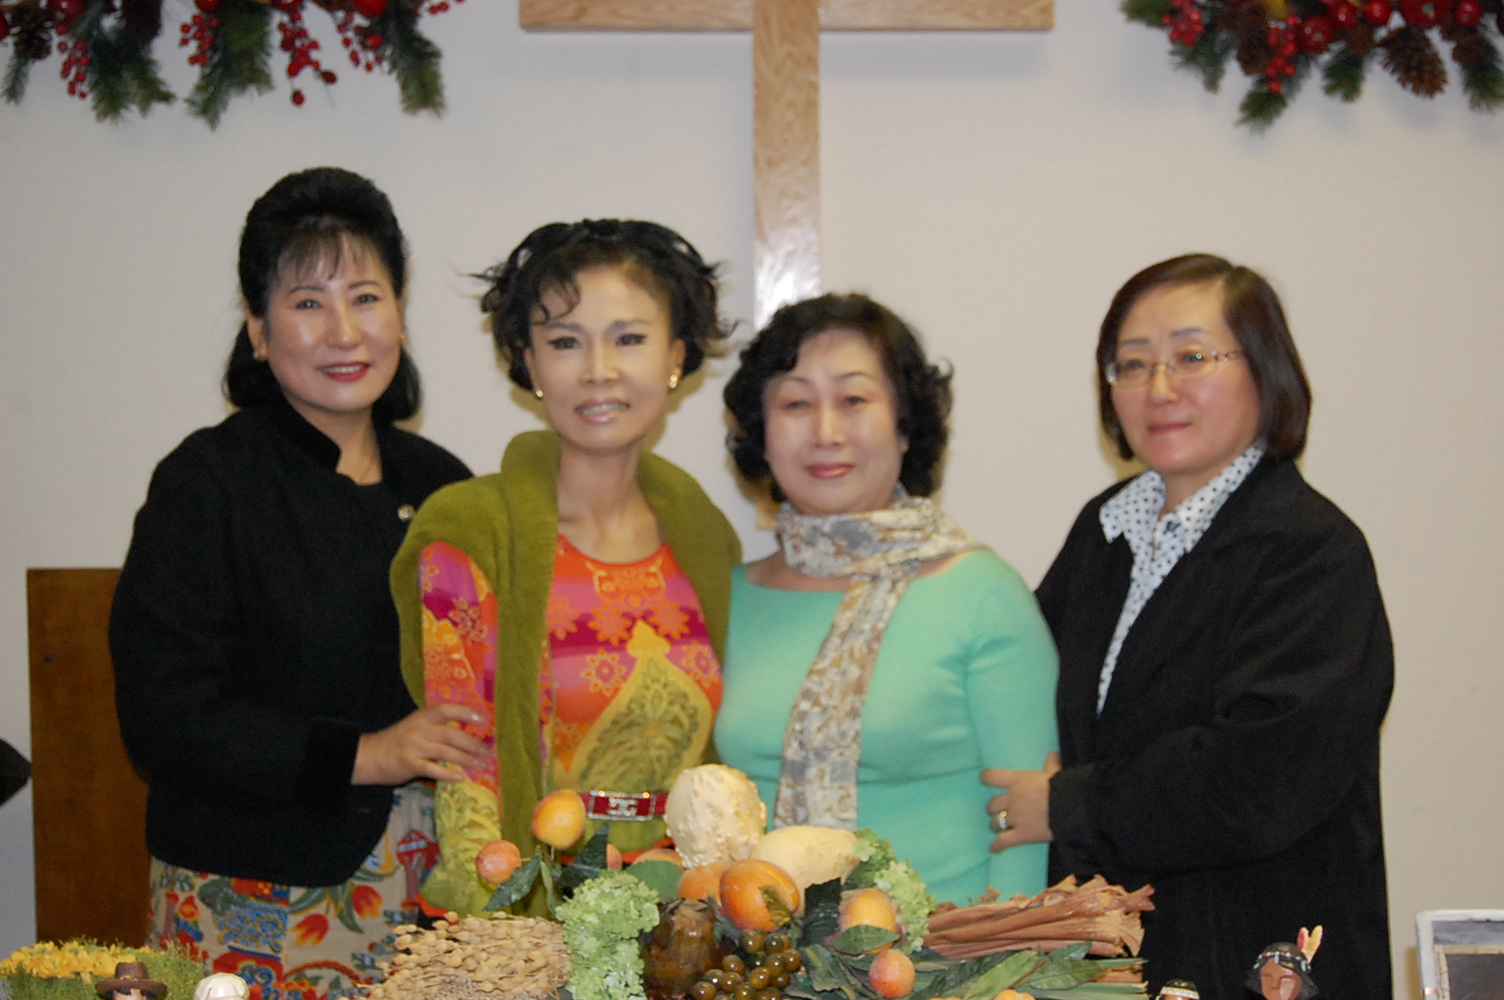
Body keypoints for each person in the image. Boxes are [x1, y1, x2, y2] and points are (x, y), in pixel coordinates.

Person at [110, 167, 479, 996]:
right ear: (258, 330)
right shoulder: (207, 483)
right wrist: (369, 754)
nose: (344, 331)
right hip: (252, 899)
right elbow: (165, 717)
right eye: (308, 302)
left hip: (434, 891)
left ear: (399, 313)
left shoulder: (446, 486)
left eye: (366, 297)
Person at [982, 255, 1392, 997]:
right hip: (1113, 956)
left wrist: (1069, 805)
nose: (1160, 387)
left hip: (1255, 954)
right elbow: (1034, 696)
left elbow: (1258, 779)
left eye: (1193, 357)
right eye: (1133, 364)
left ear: (1265, 371)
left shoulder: (1311, 551)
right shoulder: (1105, 532)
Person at [391, 219, 741, 917]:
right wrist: (499, 926)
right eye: (564, 342)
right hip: (530, 913)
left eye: (629, 339)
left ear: (675, 356)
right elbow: (465, 762)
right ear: (529, 362)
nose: (598, 370)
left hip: (688, 917)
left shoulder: (705, 538)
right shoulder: (471, 532)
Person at [714, 293, 1058, 906]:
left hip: (947, 951)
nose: (826, 432)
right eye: (796, 404)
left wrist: (999, 955)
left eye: (854, 400)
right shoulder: (727, 597)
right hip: (756, 952)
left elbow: (1027, 831)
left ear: (904, 425)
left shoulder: (981, 594)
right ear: (761, 435)